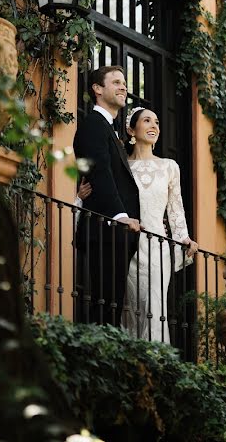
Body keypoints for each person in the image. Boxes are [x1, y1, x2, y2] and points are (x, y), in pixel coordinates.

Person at [120, 106, 199, 343]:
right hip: (128, 245)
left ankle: (156, 363)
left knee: (155, 307)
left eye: (156, 122)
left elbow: (176, 208)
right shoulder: (122, 166)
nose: (154, 126)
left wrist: (183, 237)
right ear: (131, 130)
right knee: (130, 307)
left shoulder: (169, 167)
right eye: (147, 121)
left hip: (157, 248)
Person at [73, 65, 141, 325]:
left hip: (116, 234)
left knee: (111, 306)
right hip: (106, 230)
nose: (123, 87)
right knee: (105, 306)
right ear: (98, 89)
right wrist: (121, 216)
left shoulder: (109, 128)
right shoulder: (93, 125)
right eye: (116, 82)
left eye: (124, 82)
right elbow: (100, 172)